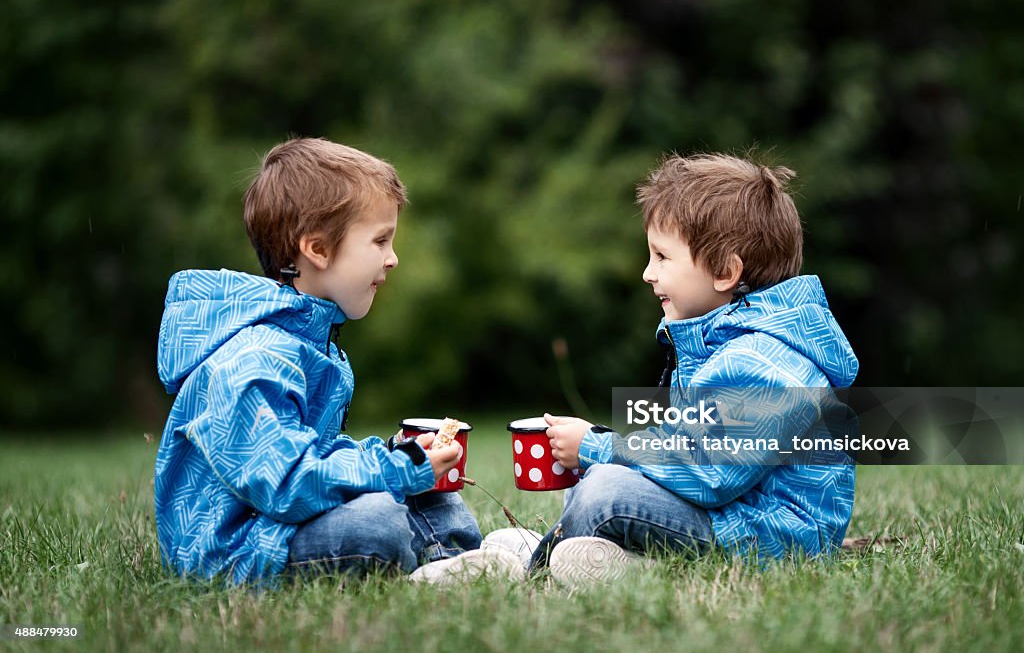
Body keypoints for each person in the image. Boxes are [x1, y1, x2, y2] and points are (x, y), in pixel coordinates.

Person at [154, 138, 519, 585]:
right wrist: (396, 469)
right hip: (240, 550)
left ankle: (465, 559)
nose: (393, 258)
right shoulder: (253, 362)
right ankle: (438, 569)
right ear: (318, 250)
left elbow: (317, 455)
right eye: (380, 240)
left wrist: (392, 456)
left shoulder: (310, 345)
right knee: (378, 518)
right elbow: (287, 486)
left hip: (282, 524)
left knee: (425, 486)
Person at [530, 152, 859, 586]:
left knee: (603, 491)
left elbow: (711, 471)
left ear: (725, 271)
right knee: (598, 478)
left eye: (662, 257)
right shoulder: (725, 343)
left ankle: (534, 568)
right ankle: (623, 564)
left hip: (769, 539)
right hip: (733, 516)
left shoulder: (763, 362)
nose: (648, 273)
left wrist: (601, 447)